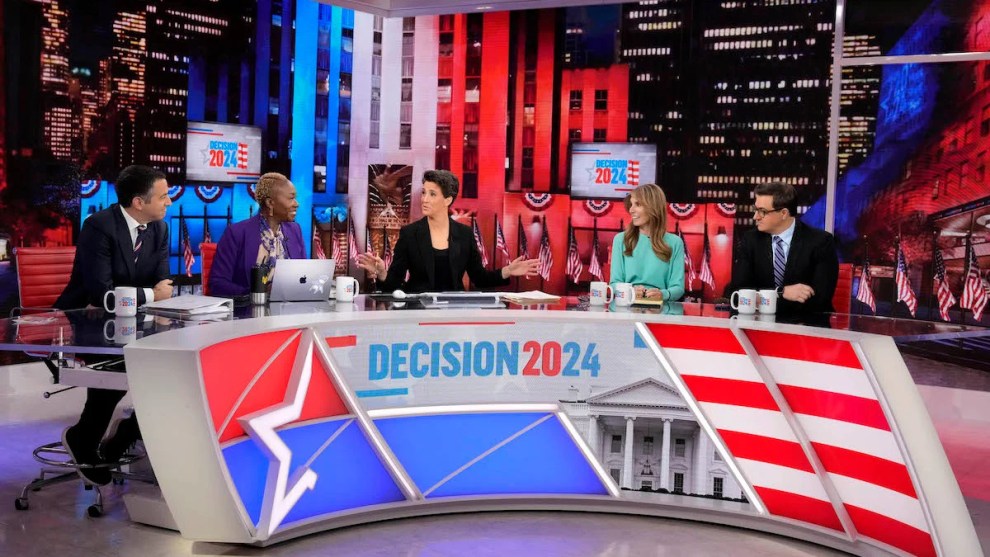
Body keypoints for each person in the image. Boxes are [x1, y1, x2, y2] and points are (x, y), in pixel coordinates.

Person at [55, 165, 174, 485]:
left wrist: (145, 295)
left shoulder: (160, 228)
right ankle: (84, 437)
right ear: (138, 202)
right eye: (163, 197)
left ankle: (122, 438)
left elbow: (163, 286)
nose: (169, 203)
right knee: (120, 366)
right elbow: (101, 294)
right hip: (83, 322)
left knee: (175, 369)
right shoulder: (99, 226)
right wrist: (149, 294)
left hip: (130, 323)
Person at [357, 170, 539, 292]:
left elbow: (480, 278)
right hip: (416, 314)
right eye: (424, 192)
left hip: (453, 315)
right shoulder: (410, 234)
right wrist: (381, 273)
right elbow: (394, 286)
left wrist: (507, 270)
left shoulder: (465, 235)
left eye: (432, 194)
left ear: (448, 200)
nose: (424, 199)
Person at [726, 181, 838, 314]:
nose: (755, 217)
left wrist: (760, 299)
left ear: (784, 213)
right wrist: (781, 293)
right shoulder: (751, 240)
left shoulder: (820, 242)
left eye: (762, 211)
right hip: (760, 324)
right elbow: (738, 294)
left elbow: (820, 300)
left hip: (807, 325)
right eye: (755, 210)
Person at [209, 172, 305, 297]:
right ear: (270, 203)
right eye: (291, 198)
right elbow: (217, 284)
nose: (296, 204)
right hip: (250, 312)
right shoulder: (236, 233)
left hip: (292, 309)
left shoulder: (295, 230)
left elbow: (304, 273)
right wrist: (256, 293)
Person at [609, 183, 686, 302]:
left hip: (661, 309)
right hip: (627, 307)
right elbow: (614, 283)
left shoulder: (675, 243)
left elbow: (678, 288)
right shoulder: (620, 239)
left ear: (653, 207)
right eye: (631, 205)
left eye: (637, 204)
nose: (631, 210)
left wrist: (662, 294)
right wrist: (630, 291)